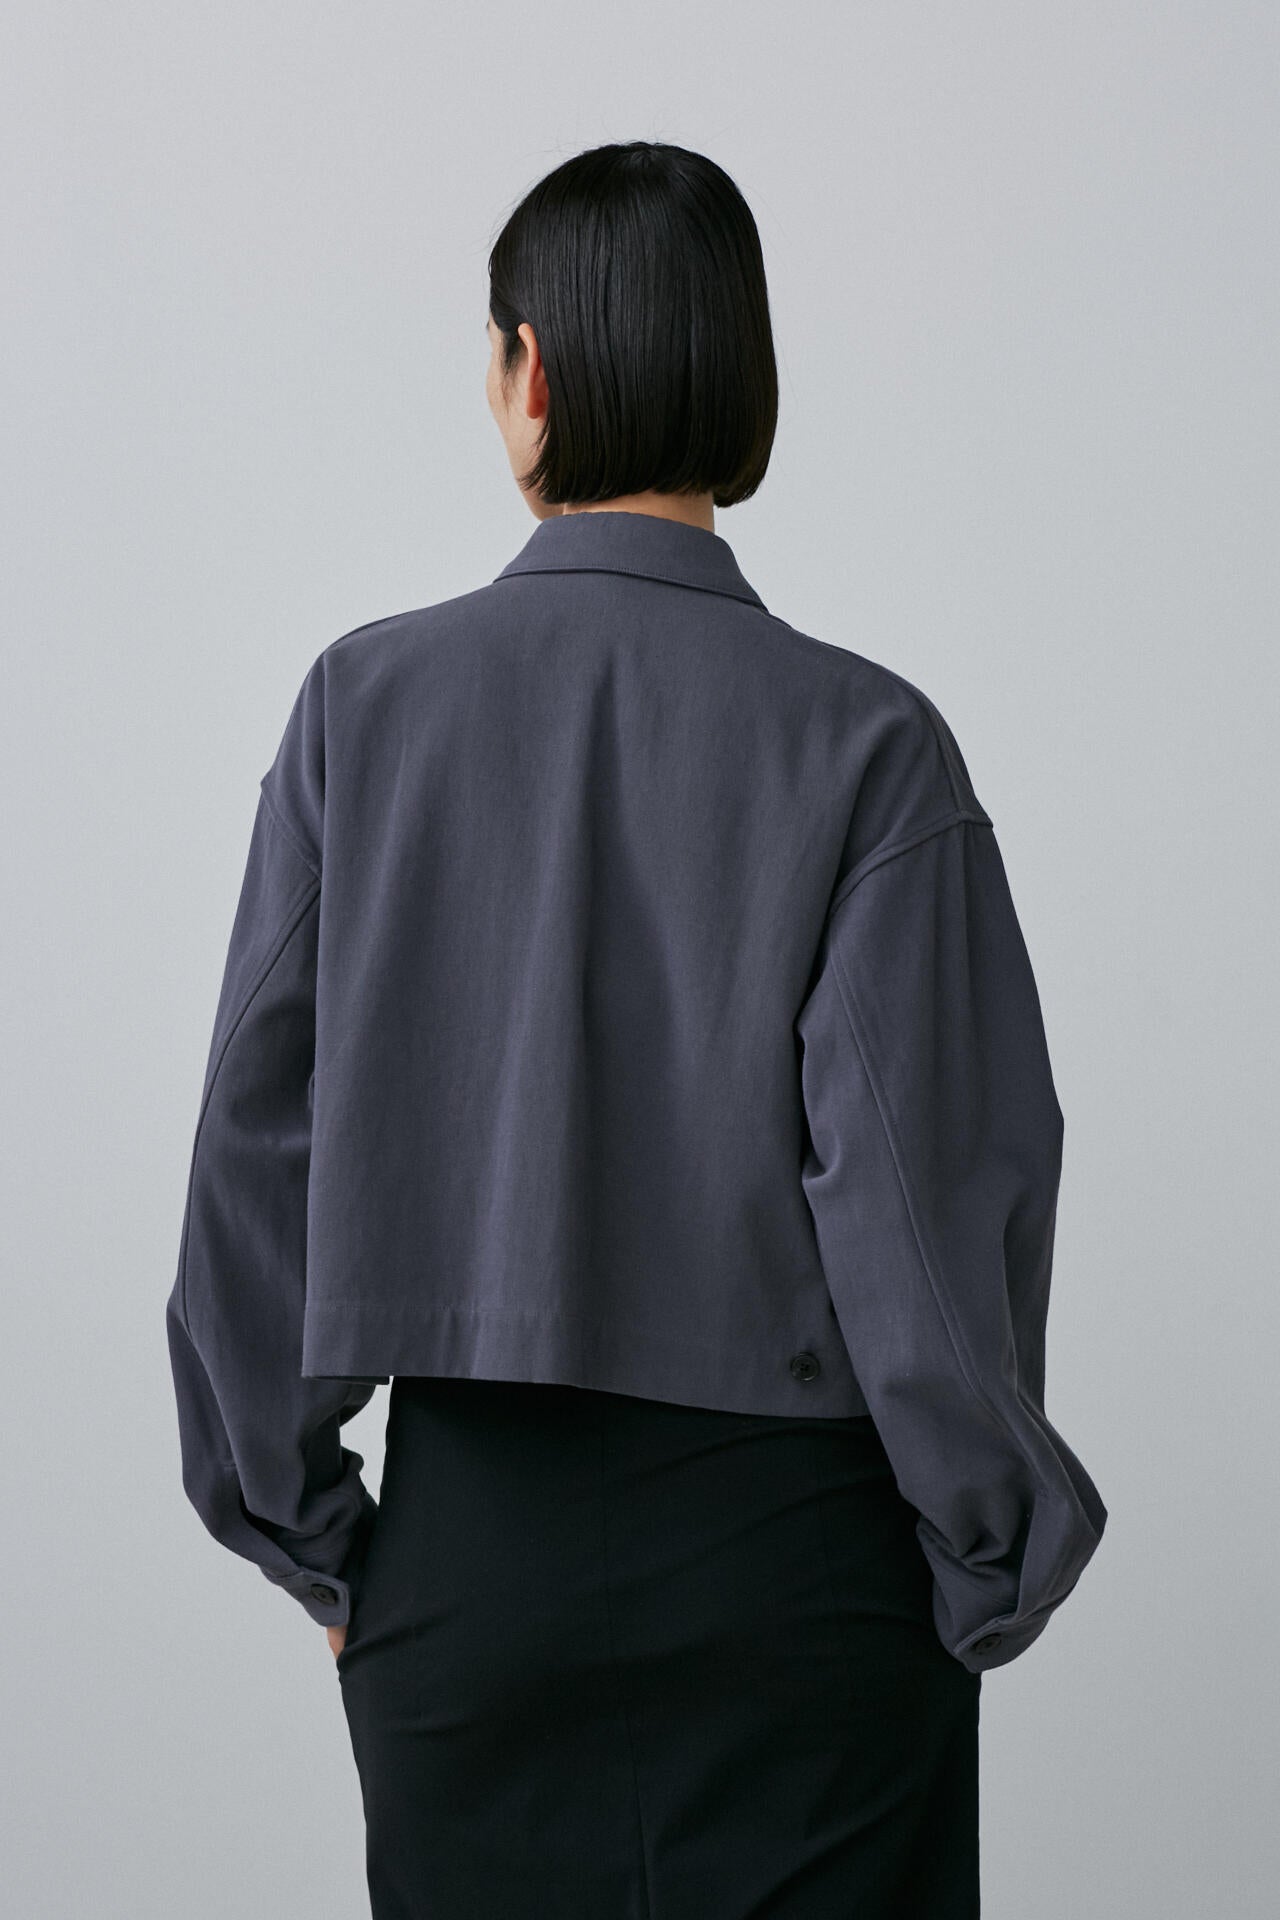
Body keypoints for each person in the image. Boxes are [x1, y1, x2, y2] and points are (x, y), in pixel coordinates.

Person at [165, 139, 1107, 1918]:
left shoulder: (362, 711)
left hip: (474, 1568)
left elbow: (255, 1153)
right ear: (747, 379)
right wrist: (986, 1554)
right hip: (804, 1574)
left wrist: (313, 1528)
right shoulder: (870, 746)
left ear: (527, 371)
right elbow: (924, 1205)